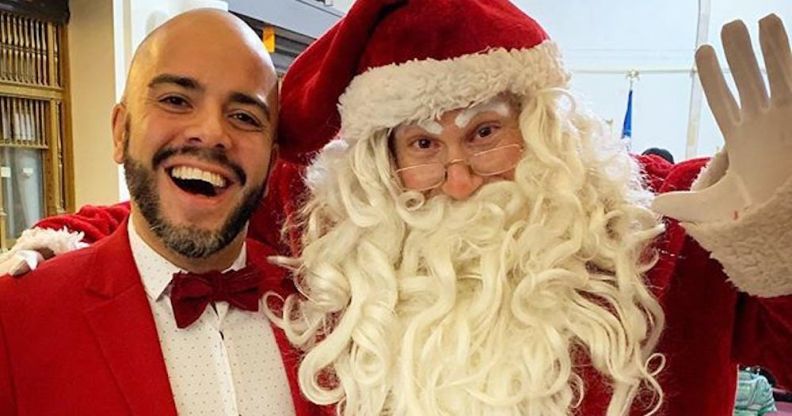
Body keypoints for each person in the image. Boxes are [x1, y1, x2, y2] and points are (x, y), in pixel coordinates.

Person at [2, 1, 791, 415]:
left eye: (485, 132)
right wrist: (66, 234)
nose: (456, 179)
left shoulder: (672, 230)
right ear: (383, 167)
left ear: (547, 130)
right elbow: (196, 207)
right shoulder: (363, 255)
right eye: (420, 145)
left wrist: (777, 235)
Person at [0, 9, 321, 415]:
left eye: (243, 116)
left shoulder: (322, 309)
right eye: (176, 100)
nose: (211, 132)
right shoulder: (17, 319)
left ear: (272, 161)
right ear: (121, 131)